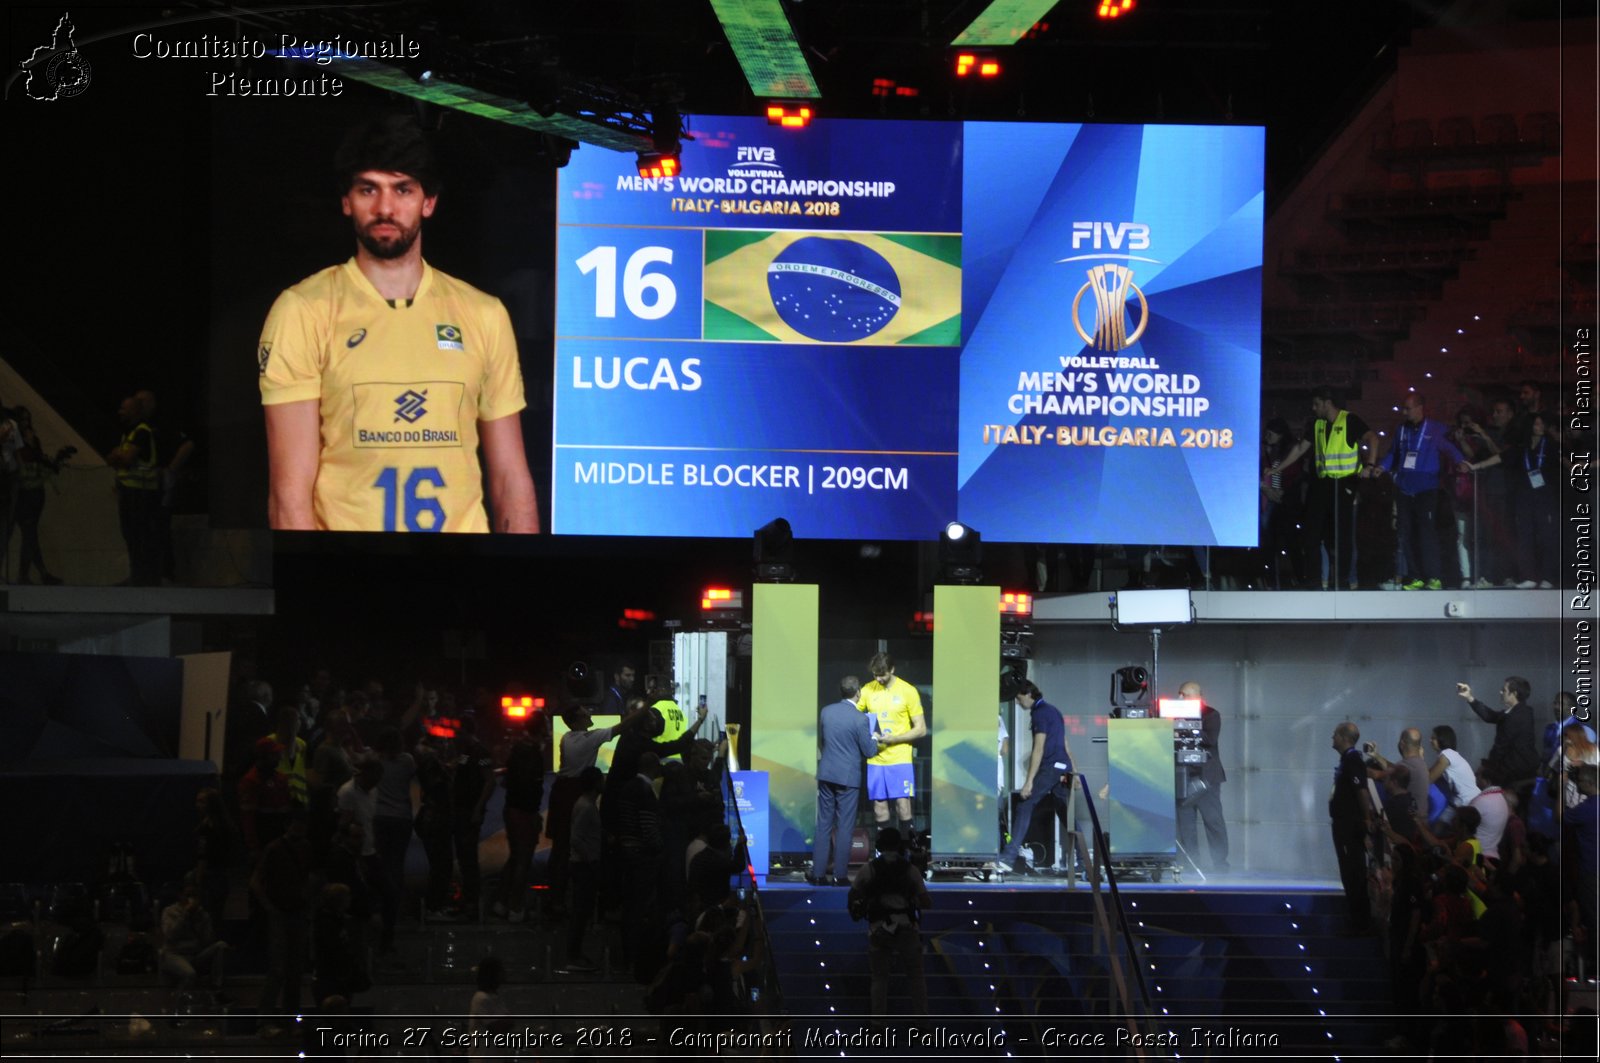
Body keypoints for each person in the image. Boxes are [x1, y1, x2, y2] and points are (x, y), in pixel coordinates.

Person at [258, 114, 539, 533]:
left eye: (402, 189)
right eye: (368, 189)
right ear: (347, 201)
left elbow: (510, 481)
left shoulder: (483, 314)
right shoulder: (303, 310)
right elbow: (288, 499)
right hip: (355, 577)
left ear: (429, 202)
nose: (385, 208)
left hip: (461, 577)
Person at [1272, 387, 1377, 589]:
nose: (1313, 408)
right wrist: (1278, 469)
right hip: (1322, 484)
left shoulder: (1349, 420)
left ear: (1327, 403)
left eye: (1316, 404)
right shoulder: (1316, 423)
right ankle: (1315, 580)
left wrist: (1370, 466)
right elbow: (1301, 448)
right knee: (1312, 533)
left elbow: (1373, 438)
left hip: (1344, 483)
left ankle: (1344, 580)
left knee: (1342, 537)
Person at [1376, 393, 1464, 590]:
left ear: (1419, 408)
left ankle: (1434, 577)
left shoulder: (1435, 428)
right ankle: (1415, 576)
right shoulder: (1401, 429)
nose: (1404, 412)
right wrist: (1382, 466)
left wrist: (1461, 461)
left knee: (1426, 533)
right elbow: (1393, 453)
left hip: (1426, 488)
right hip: (1405, 487)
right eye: (1404, 408)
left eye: (1408, 408)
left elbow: (1449, 447)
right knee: (1405, 533)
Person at [995, 680, 1080, 875]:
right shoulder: (1054, 711)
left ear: (1027, 694)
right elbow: (1065, 744)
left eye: (1018, 698)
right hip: (1062, 767)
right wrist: (1073, 772)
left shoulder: (1040, 714)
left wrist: (1029, 782)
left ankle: (1008, 858)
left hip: (1051, 767)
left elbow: (1038, 748)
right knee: (1065, 811)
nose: (1017, 703)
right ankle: (1083, 860)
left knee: (1025, 805)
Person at [847, 827, 930, 1016]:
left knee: (879, 980)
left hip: (879, 930)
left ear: (879, 845)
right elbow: (926, 902)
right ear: (899, 845)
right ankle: (923, 1026)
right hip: (907, 929)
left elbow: (853, 896)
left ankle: (878, 1028)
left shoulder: (869, 869)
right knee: (916, 978)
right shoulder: (911, 870)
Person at [812, 676, 878, 886]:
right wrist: (875, 738)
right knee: (844, 827)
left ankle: (818, 874)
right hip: (848, 777)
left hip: (827, 773)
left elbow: (825, 740)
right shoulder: (861, 719)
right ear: (858, 692)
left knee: (823, 825)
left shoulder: (826, 712)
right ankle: (840, 876)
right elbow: (868, 751)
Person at [857, 652, 927, 840]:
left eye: (882, 675)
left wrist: (893, 739)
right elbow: (854, 717)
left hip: (900, 758)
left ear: (892, 670)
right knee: (879, 808)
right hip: (876, 759)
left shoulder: (908, 691)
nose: (878, 679)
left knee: (903, 806)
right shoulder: (868, 690)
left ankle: (906, 852)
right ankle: (883, 853)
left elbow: (921, 729)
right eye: (875, 675)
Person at [8, 407, 70, 584]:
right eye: (22, 420)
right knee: (29, 533)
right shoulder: (14, 440)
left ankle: (33, 574)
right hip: (23, 492)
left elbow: (39, 461)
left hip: (34, 491)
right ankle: (31, 574)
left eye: (28, 419)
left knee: (30, 533)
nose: (26, 424)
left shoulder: (33, 439)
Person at [1173, 680, 1230, 873]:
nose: (1181, 698)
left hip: (1207, 779)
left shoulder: (1211, 714)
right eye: (1180, 694)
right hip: (1183, 777)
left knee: (1213, 822)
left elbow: (1210, 739)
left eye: (1186, 695)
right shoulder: (1173, 716)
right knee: (1186, 826)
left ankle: (1220, 865)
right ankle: (1191, 866)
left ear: (1198, 697)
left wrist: (1186, 726)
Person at [105, 393, 161, 584]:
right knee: (131, 536)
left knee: (140, 536)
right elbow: (112, 459)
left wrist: (118, 455)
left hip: (141, 494)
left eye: (124, 408)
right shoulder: (129, 434)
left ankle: (144, 577)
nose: (119, 412)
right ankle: (138, 576)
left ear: (135, 411)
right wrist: (118, 456)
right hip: (130, 493)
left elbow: (125, 460)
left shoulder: (141, 432)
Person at [1329, 722, 1374, 933]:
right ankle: (1356, 918)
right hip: (1342, 824)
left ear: (1344, 737)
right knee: (1349, 871)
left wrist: (1366, 819)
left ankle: (1359, 921)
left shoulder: (1353, 760)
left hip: (1350, 825)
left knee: (1353, 871)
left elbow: (1361, 790)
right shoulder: (1346, 760)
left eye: (1335, 734)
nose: (1332, 737)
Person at [1457, 677, 1540, 789]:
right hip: (1522, 771)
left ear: (1514, 693)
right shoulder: (1521, 711)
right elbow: (1490, 716)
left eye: (1504, 690)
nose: (1500, 692)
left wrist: (1486, 767)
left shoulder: (1516, 717)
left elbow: (1500, 746)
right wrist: (1469, 697)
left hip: (1516, 775)